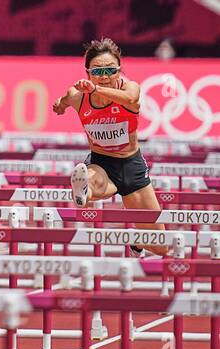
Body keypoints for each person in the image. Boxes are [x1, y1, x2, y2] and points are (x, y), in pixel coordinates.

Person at [51, 37, 167, 256]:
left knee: (161, 246)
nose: (104, 76)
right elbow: (63, 101)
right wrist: (60, 105)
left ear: (119, 71)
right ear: (87, 72)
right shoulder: (78, 96)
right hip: (101, 162)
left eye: (110, 70)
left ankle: (137, 240)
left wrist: (95, 89)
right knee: (91, 183)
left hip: (132, 165)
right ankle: (85, 190)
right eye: (97, 71)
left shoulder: (130, 87)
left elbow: (130, 99)